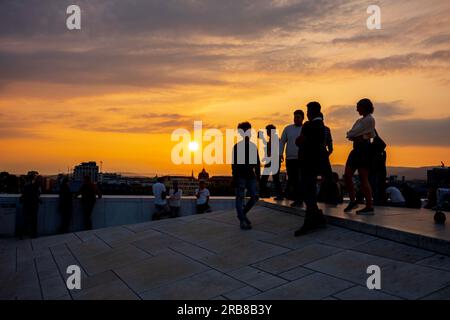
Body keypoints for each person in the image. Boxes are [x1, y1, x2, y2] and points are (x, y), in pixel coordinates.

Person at [294, 102, 331, 236]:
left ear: (311, 112)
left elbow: (299, 141)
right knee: (310, 193)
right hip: (318, 163)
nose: (307, 114)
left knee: (307, 193)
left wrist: (299, 141)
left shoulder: (308, 125)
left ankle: (310, 221)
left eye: (308, 111)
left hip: (307, 163)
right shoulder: (323, 127)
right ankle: (318, 218)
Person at [344, 98, 376, 215]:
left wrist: (359, 136)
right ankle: (353, 201)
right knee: (347, 175)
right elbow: (350, 134)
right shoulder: (360, 121)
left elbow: (369, 134)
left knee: (363, 178)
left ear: (364, 107)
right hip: (356, 150)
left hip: (364, 150)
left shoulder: (369, 120)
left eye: (358, 107)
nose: (356, 109)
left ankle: (369, 206)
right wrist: (357, 135)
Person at [232, 121, 261, 230]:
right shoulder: (237, 147)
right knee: (240, 197)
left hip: (251, 176)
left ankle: (242, 215)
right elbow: (234, 164)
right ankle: (242, 221)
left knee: (254, 196)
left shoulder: (253, 147)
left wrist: (258, 178)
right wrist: (234, 177)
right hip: (240, 176)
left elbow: (257, 163)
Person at [280, 110, 304, 207]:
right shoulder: (288, 129)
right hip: (290, 158)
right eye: (295, 117)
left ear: (303, 118)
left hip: (302, 158)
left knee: (300, 179)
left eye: (298, 117)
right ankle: (296, 199)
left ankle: (300, 199)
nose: (296, 119)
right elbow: (282, 142)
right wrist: (280, 154)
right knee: (293, 179)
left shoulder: (305, 129)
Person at [259, 124, 283, 200]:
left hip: (273, 161)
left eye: (268, 131)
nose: (267, 132)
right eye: (267, 131)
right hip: (272, 161)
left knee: (266, 178)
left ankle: (263, 194)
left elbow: (271, 149)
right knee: (272, 179)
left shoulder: (275, 139)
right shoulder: (274, 139)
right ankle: (278, 195)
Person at [19, 173, 42, 238]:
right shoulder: (36, 187)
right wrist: (40, 201)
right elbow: (36, 196)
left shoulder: (27, 186)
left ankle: (23, 234)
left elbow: (24, 195)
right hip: (33, 206)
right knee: (33, 220)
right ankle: (33, 234)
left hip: (26, 205)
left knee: (25, 220)